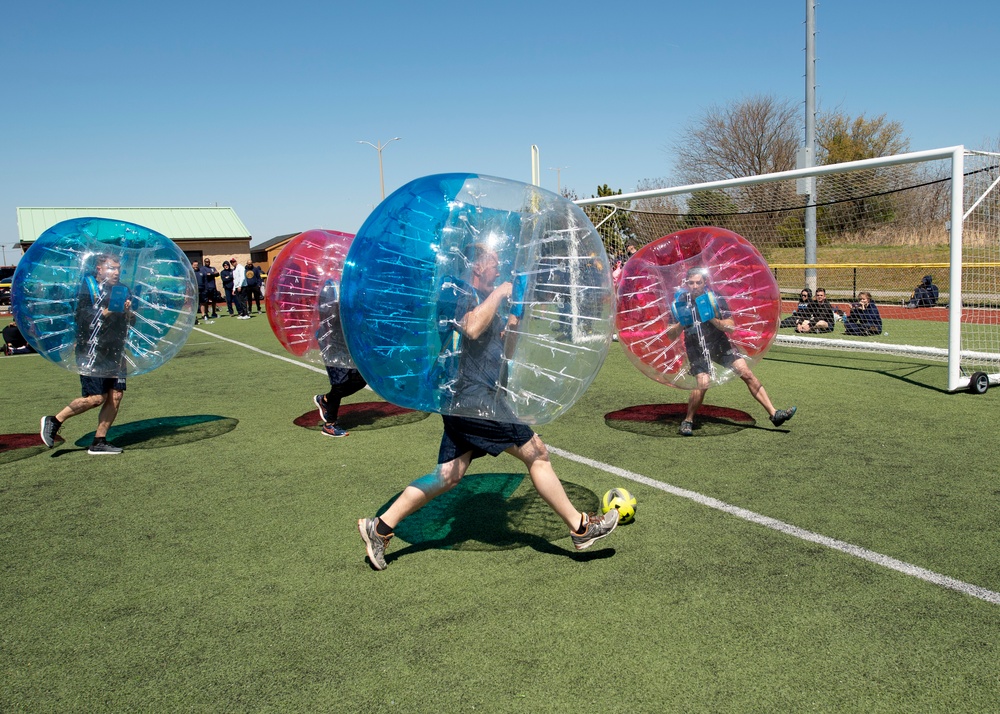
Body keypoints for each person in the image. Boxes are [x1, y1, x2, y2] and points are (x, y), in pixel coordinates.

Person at [357, 243, 619, 571]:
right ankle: (581, 527)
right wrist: (497, 297)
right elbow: (470, 327)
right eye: (494, 264)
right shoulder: (455, 290)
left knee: (448, 475)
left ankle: (379, 528)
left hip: (472, 398)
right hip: (472, 399)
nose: (499, 271)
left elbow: (503, 347)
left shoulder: (485, 298)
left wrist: (515, 316)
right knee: (536, 453)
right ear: (477, 267)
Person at [667, 267, 796, 436]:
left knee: (746, 373)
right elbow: (670, 335)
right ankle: (688, 420)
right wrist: (682, 322)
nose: (695, 286)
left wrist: (712, 318)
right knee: (703, 382)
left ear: (705, 283)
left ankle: (774, 413)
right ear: (686, 284)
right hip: (696, 347)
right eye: (691, 283)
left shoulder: (714, 299)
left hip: (719, 344)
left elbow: (731, 327)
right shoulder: (680, 302)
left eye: (698, 282)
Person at [40, 253, 134, 455]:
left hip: (116, 350)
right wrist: (107, 311)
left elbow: (130, 322)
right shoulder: (86, 288)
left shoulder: (123, 290)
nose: (116, 272)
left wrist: (127, 311)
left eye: (118, 268)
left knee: (116, 396)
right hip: (92, 349)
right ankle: (54, 420)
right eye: (112, 268)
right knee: (95, 398)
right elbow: (82, 319)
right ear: (99, 269)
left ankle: (99, 441)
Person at [313, 278, 368, 438]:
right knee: (339, 383)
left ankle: (325, 399)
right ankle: (329, 424)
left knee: (360, 379)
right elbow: (328, 316)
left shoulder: (355, 285)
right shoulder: (332, 286)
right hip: (332, 342)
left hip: (349, 341)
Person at [192, 259, 213, 324]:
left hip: (202, 289)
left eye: (197, 265)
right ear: (192, 265)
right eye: (194, 265)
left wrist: (206, 289)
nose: (196, 266)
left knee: (202, 303)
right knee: (194, 304)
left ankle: (203, 315)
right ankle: (194, 316)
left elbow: (205, 281)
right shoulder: (190, 273)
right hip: (194, 290)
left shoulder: (201, 272)